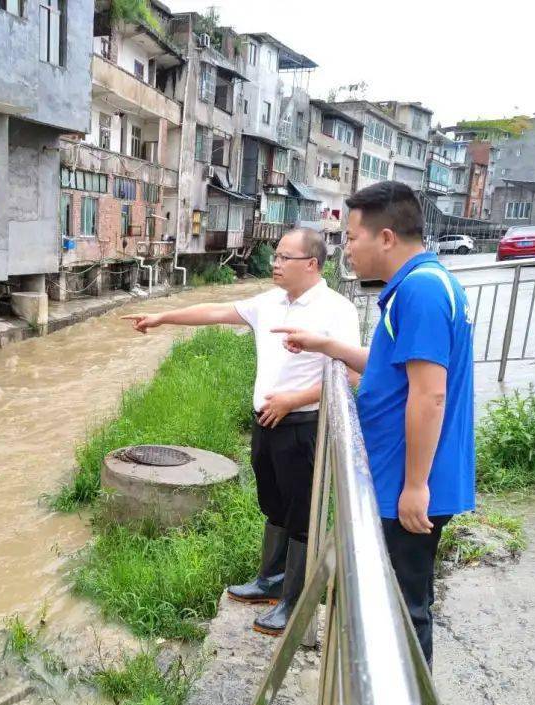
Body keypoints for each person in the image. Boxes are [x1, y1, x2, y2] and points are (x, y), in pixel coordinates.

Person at [121, 228, 360, 636]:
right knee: (273, 502)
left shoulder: (337, 310)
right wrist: (162, 318)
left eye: (286, 257)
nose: (275, 263)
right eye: (277, 256)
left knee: (302, 513)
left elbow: (352, 375)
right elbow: (216, 311)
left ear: (313, 265)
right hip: (265, 421)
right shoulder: (270, 302)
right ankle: (270, 580)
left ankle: (295, 600)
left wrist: (294, 399)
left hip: (303, 424)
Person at [274, 181, 475, 667]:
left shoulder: (422, 291)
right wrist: (327, 346)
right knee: (396, 599)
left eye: (353, 238)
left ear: (386, 237)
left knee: (403, 608)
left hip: (406, 480)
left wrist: (414, 486)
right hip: (396, 472)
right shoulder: (418, 284)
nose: (347, 250)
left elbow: (430, 394)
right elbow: (391, 367)